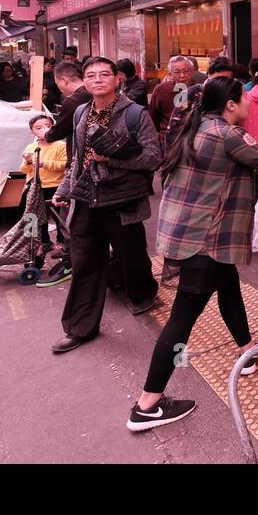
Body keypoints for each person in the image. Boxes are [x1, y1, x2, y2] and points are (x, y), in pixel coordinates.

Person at [126, 78, 258, 431]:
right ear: (230, 104)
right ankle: (147, 404)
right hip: (205, 237)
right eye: (243, 97)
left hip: (191, 233)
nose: (247, 102)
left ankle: (246, 351)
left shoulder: (195, 125)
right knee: (182, 318)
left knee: (228, 283)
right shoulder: (228, 134)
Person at [50, 57, 161, 354]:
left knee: (132, 254)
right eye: (91, 75)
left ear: (117, 80)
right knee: (85, 262)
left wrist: (111, 158)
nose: (97, 79)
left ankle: (144, 293)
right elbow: (77, 159)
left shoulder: (136, 114)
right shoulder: (80, 113)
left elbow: (153, 157)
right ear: (84, 81)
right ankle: (80, 327)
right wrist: (65, 188)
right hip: (87, 196)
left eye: (104, 75)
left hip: (121, 198)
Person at [20, 114, 71, 286]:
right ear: (32, 131)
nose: (44, 130)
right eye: (39, 127)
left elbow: (65, 165)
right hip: (35, 187)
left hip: (55, 186)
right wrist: (28, 162)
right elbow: (23, 169)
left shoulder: (60, 145)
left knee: (59, 217)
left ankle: (62, 244)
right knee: (33, 218)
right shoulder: (31, 147)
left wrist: (43, 163)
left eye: (48, 126)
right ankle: (41, 243)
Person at [46, 60, 90, 160]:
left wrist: (45, 135)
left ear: (65, 80)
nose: (60, 89)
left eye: (58, 84)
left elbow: (59, 132)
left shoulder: (72, 101)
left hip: (80, 155)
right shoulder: (93, 92)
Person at [149, 56, 194, 148]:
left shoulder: (199, 90)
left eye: (186, 71)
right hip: (167, 141)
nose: (182, 75)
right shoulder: (161, 89)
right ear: (170, 74)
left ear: (192, 72)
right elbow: (152, 118)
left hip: (193, 141)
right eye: (177, 72)